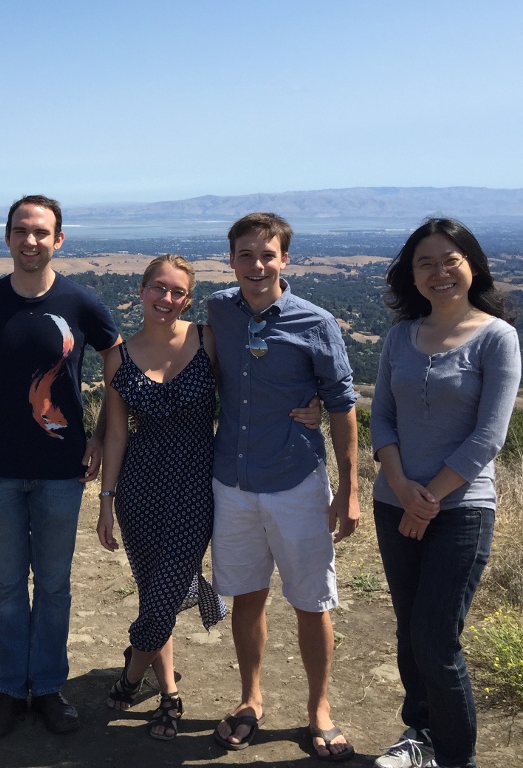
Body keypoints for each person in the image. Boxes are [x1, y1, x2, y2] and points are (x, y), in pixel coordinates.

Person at [97, 254, 319, 741]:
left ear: (189, 300)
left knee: (162, 594)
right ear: (141, 290)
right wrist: (106, 501)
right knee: (155, 586)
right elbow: (115, 436)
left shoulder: (207, 340)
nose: (167, 298)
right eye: (159, 288)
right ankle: (170, 694)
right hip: (138, 490)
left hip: (198, 487)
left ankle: (132, 675)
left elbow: (255, 385)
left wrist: (315, 400)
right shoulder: (117, 355)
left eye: (177, 292)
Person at [0, 194, 121, 736]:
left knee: (52, 585)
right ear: (7, 238)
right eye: (21, 231)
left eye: (41, 232)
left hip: (60, 471)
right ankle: (8, 691)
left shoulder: (82, 302)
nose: (31, 241)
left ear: (59, 240)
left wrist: (98, 433)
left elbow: (117, 365)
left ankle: (46, 688)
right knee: (6, 586)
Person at [208, 212, 359, 761]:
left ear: (285, 259)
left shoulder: (315, 323)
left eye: (267, 254)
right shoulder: (217, 310)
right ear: (231, 259)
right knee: (247, 595)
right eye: (245, 254)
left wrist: (349, 491)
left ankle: (319, 708)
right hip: (233, 480)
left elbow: (342, 406)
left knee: (311, 601)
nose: (256, 264)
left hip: (296, 480)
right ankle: (251, 699)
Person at [370, 218, 520, 768]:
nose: (438, 272)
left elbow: (490, 436)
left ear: (472, 264)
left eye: (449, 259)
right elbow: (381, 419)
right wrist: (403, 488)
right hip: (394, 503)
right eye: (424, 263)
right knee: (411, 632)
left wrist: (427, 497)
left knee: (437, 639)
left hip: (461, 511)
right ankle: (421, 736)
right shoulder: (399, 337)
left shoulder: (496, 337)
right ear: (412, 276)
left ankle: (458, 759)